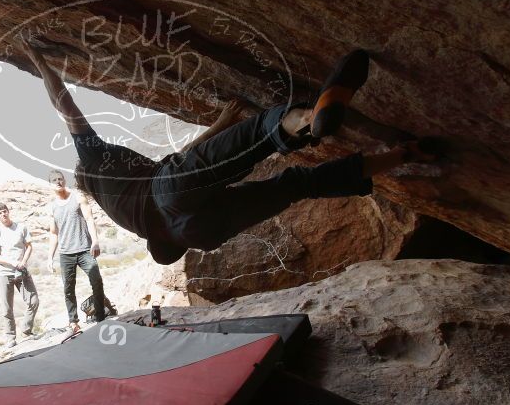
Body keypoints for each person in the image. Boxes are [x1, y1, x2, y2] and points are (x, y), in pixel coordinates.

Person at [22, 43, 442, 265]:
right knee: (261, 134)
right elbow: (66, 106)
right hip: (167, 191)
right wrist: (36, 58)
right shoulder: (96, 164)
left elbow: (181, 164)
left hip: (202, 234)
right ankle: (308, 120)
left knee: (299, 186)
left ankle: (404, 154)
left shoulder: (126, 215)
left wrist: (220, 122)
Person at [47, 170, 106, 332]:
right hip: (65, 254)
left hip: (85, 249)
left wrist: (95, 241)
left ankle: (101, 317)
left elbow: (89, 219)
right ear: (50, 184)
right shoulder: (52, 207)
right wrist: (49, 258)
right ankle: (73, 321)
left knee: (97, 282)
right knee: (68, 288)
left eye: (60, 178)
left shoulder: (78, 197)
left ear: (64, 180)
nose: (58, 181)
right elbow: (53, 233)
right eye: (54, 180)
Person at [0, 202, 39, 348]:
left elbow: (29, 246)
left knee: (34, 301)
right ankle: (10, 337)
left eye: (4, 211)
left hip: (22, 270)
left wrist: (23, 261)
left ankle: (26, 329)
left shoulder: (21, 227)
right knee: (7, 308)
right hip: (5, 273)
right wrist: (11, 262)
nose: (3, 214)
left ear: (8, 211)